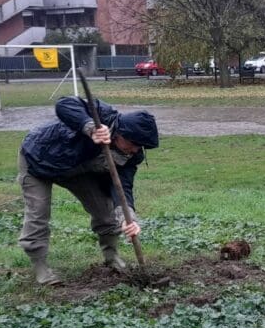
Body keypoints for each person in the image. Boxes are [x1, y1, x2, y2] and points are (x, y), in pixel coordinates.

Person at [17, 96, 159, 285]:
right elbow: (64, 104)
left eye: (139, 147)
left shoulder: (130, 156)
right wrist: (91, 127)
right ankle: (41, 267)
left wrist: (128, 217)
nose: (135, 150)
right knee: (38, 212)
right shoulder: (103, 115)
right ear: (120, 134)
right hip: (39, 159)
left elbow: (122, 188)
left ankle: (112, 258)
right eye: (133, 144)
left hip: (77, 170)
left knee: (105, 211)